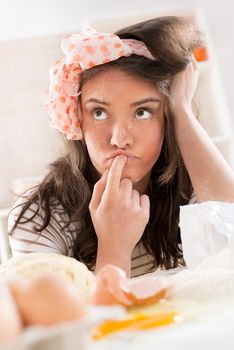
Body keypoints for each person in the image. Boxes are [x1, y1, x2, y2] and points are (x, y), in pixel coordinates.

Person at [8, 16, 234, 278]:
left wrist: (181, 108)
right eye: (100, 113)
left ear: (167, 120)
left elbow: (230, 236)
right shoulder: (39, 217)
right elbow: (73, 318)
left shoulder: (193, 186)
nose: (119, 139)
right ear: (77, 119)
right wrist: (114, 245)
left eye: (142, 112)